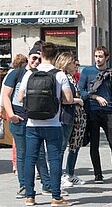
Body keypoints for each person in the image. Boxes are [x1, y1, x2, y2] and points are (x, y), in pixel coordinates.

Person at [18, 42, 74, 206]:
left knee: (30, 158)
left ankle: (29, 196)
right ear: (56, 57)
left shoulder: (29, 74)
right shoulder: (59, 75)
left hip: (32, 124)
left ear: (41, 54)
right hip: (53, 123)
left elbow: (20, 98)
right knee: (55, 160)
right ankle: (56, 197)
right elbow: (69, 99)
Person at [2, 48, 53, 200]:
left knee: (40, 154)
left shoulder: (41, 74)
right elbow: (6, 95)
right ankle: (23, 185)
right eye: (34, 58)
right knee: (22, 154)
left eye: (39, 59)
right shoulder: (16, 73)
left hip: (35, 120)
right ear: (29, 57)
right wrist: (11, 115)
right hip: (19, 119)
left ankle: (46, 184)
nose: (36, 61)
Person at [78, 46, 112, 185]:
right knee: (94, 144)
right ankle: (98, 174)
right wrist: (94, 97)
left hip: (108, 112)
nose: (98, 59)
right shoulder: (87, 71)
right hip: (92, 111)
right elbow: (80, 90)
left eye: (100, 56)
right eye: (96, 56)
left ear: (107, 57)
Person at [55, 52, 86, 187]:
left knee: (75, 146)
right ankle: (59, 175)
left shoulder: (73, 78)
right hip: (66, 116)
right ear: (67, 63)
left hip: (77, 118)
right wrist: (77, 100)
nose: (76, 66)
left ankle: (70, 173)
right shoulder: (62, 77)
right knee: (62, 146)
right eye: (74, 63)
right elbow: (64, 99)